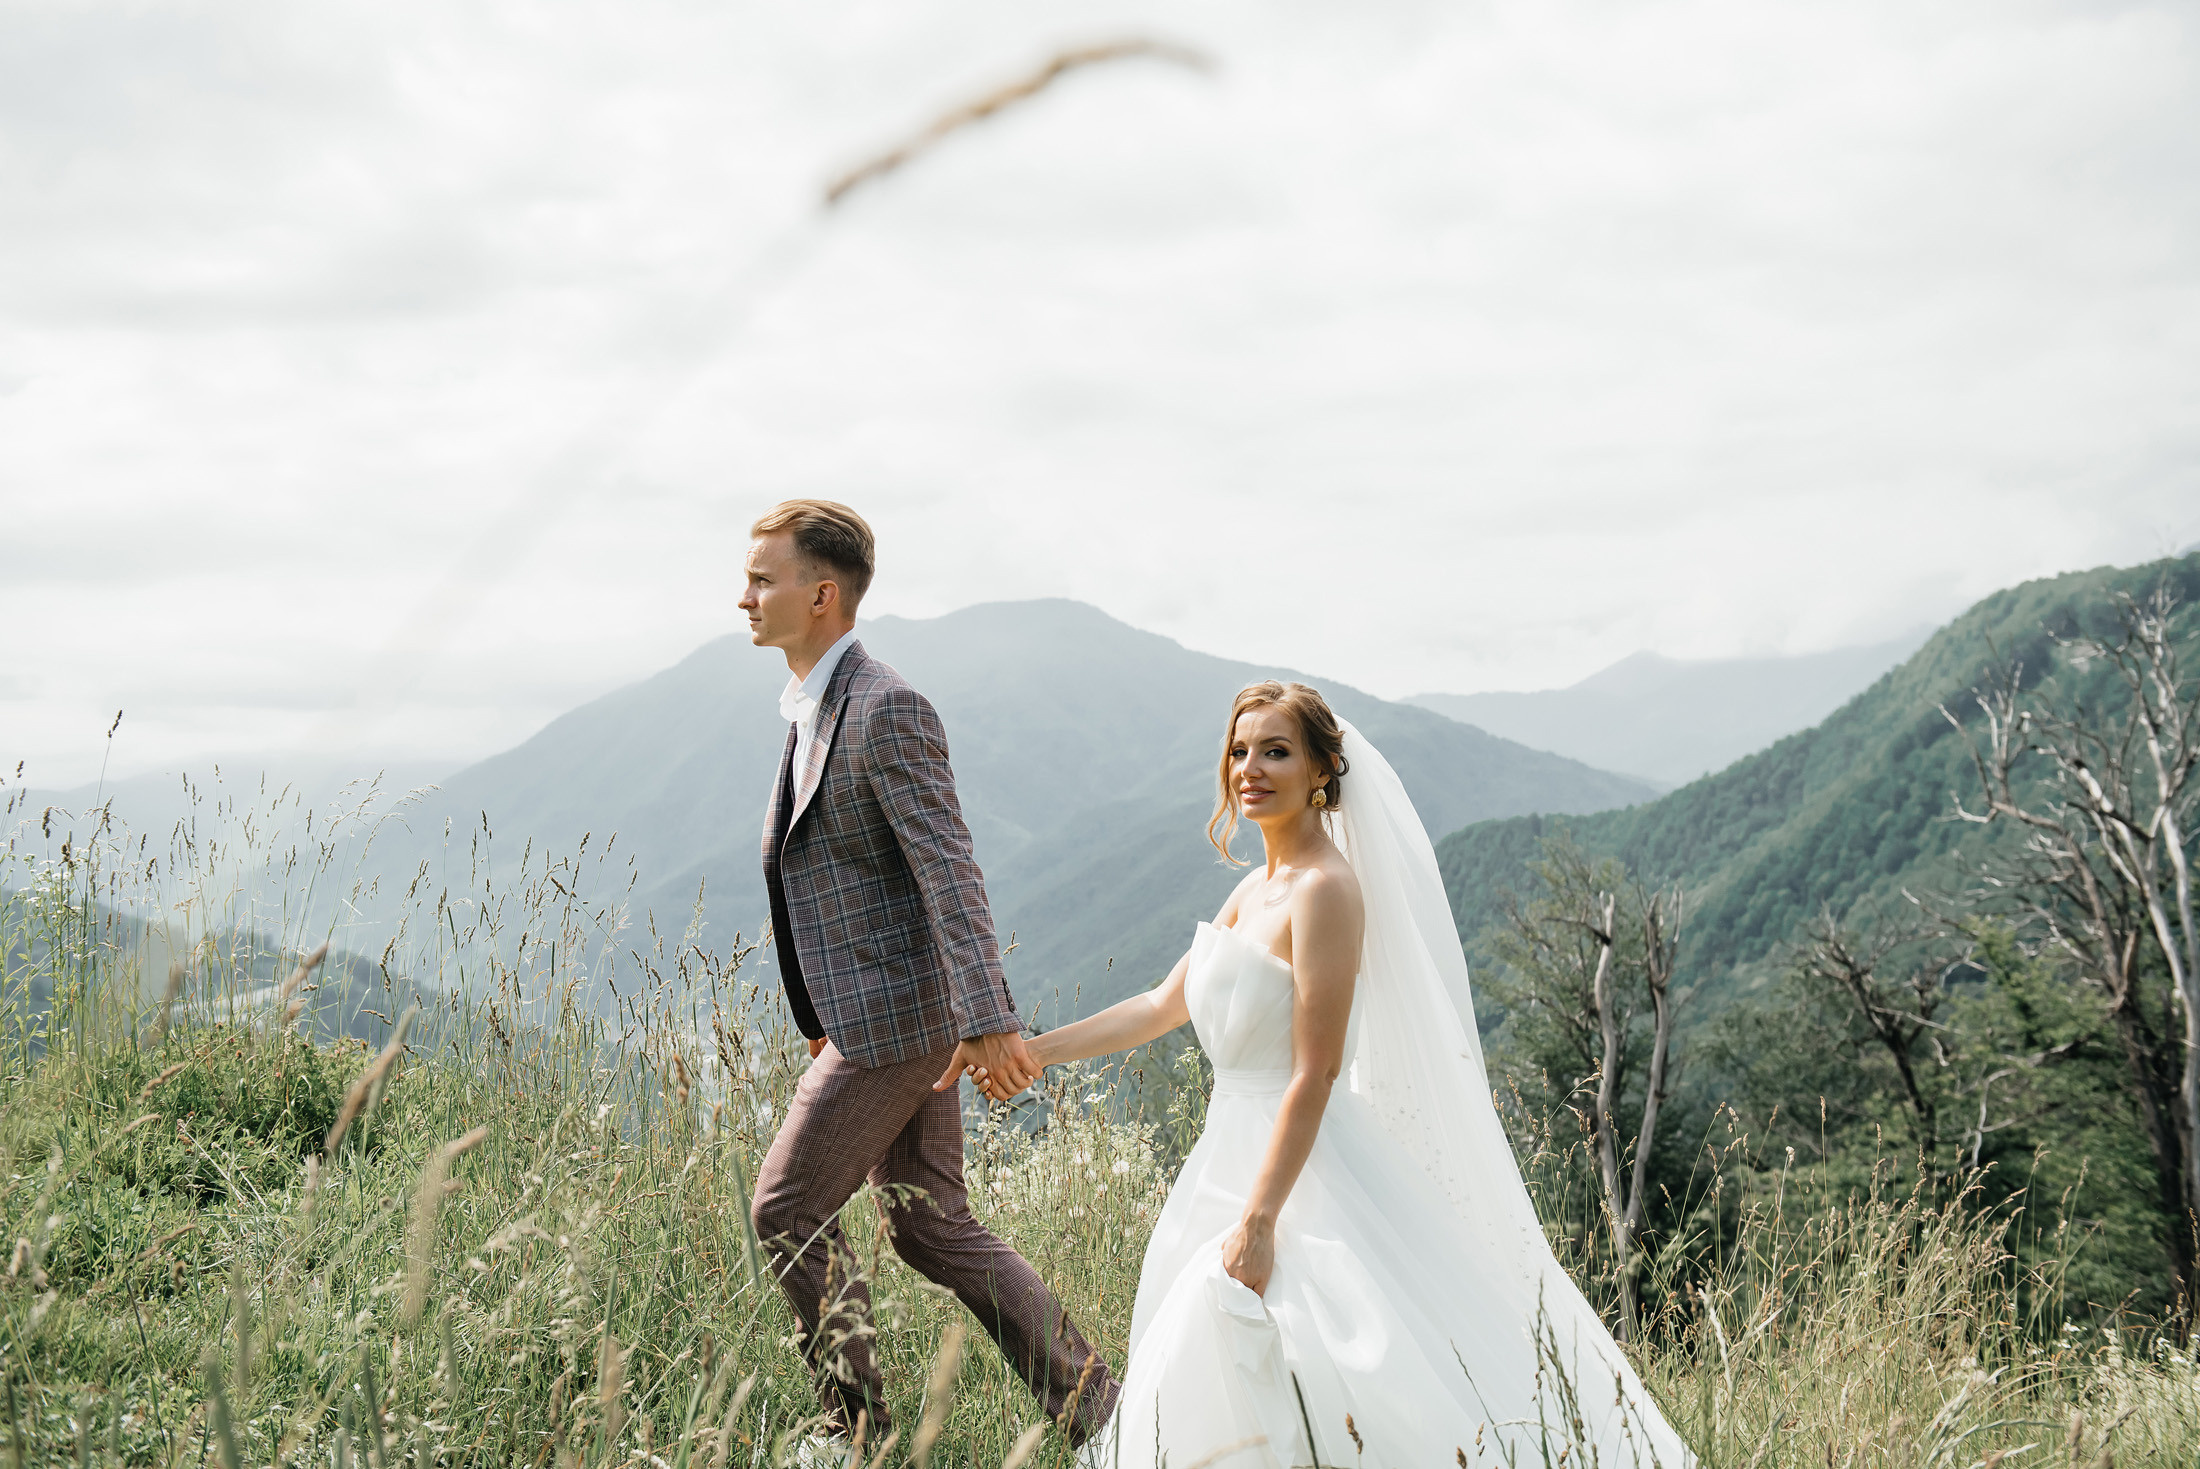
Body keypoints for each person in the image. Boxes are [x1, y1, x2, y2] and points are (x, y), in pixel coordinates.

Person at [947, 680, 1695, 1468]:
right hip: (1222, 1155)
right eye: (1240, 751)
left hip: (1295, 1166)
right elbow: (1161, 1002)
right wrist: (1025, 1052)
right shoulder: (1253, 886)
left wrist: (1262, 1219)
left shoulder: (1328, 890)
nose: (1251, 767)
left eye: (1276, 750)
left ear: (1321, 771)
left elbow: (1317, 1070)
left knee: (1333, 1367)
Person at [740, 500, 1119, 1452]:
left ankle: (852, 1430)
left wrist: (989, 1018)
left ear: (821, 595)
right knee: (930, 1226)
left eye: (762, 578)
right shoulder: (815, 704)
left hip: (896, 1022)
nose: (742, 595)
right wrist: (817, 1010)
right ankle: (1104, 1415)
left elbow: (949, 867)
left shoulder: (886, 707)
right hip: (871, 1015)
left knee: (786, 1207)